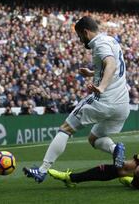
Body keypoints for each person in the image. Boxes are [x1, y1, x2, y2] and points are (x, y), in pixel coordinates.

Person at [24, 16, 130, 183]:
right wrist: (91, 73)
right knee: (94, 139)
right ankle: (115, 148)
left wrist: (101, 87)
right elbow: (112, 65)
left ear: (86, 32)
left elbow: (110, 64)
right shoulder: (111, 40)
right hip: (122, 104)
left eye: (80, 37)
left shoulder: (99, 44)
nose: (81, 41)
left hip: (103, 101)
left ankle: (42, 169)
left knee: (65, 129)